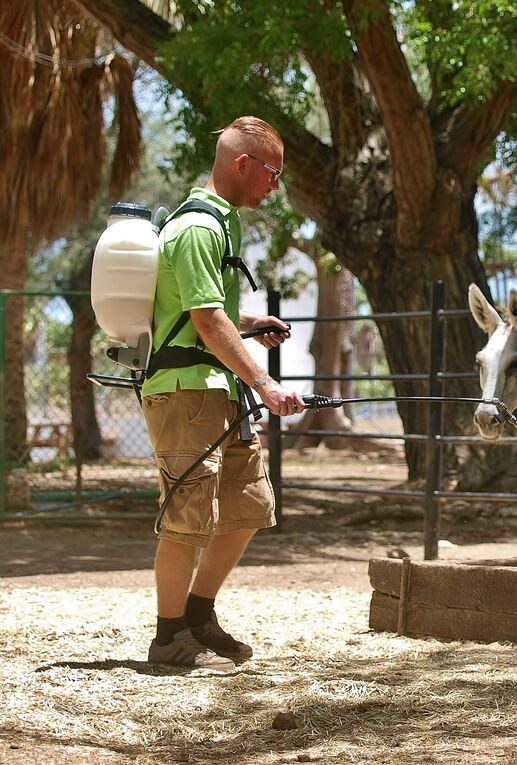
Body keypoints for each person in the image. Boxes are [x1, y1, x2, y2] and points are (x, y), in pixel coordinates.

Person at [141, 116, 306, 671]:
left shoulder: (223, 225)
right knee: (188, 515)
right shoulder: (199, 229)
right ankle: (168, 639)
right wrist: (263, 379)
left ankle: (199, 615)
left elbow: (211, 312)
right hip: (187, 390)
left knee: (248, 507)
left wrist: (251, 322)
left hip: (219, 389)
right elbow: (206, 320)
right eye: (273, 173)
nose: (275, 185)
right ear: (243, 165)